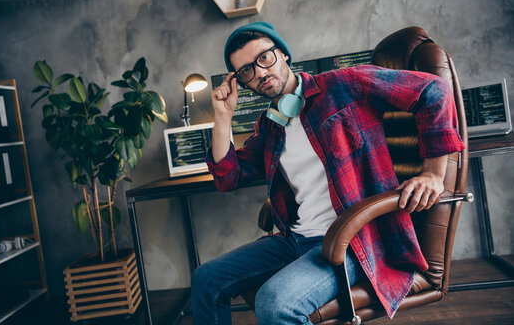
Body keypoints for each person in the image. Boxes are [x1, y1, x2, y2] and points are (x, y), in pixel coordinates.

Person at [191, 22, 465, 325]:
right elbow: (228, 178)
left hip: (353, 242)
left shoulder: (344, 84)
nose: (259, 73)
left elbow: (434, 89)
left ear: (282, 54)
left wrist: (433, 174)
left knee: (274, 304)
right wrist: (223, 116)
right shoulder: (269, 126)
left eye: (264, 58)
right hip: (296, 239)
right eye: (246, 71)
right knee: (207, 280)